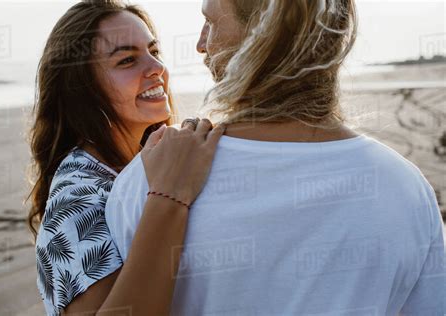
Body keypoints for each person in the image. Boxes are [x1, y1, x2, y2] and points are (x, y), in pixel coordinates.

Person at [106, 0, 446, 315]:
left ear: (261, 39)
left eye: (211, 23)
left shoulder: (152, 177)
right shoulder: (405, 188)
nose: (201, 44)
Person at [27, 1, 224, 315]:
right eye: (127, 60)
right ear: (83, 88)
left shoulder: (148, 162)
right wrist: (170, 195)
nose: (156, 68)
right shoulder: (77, 199)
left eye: (154, 52)